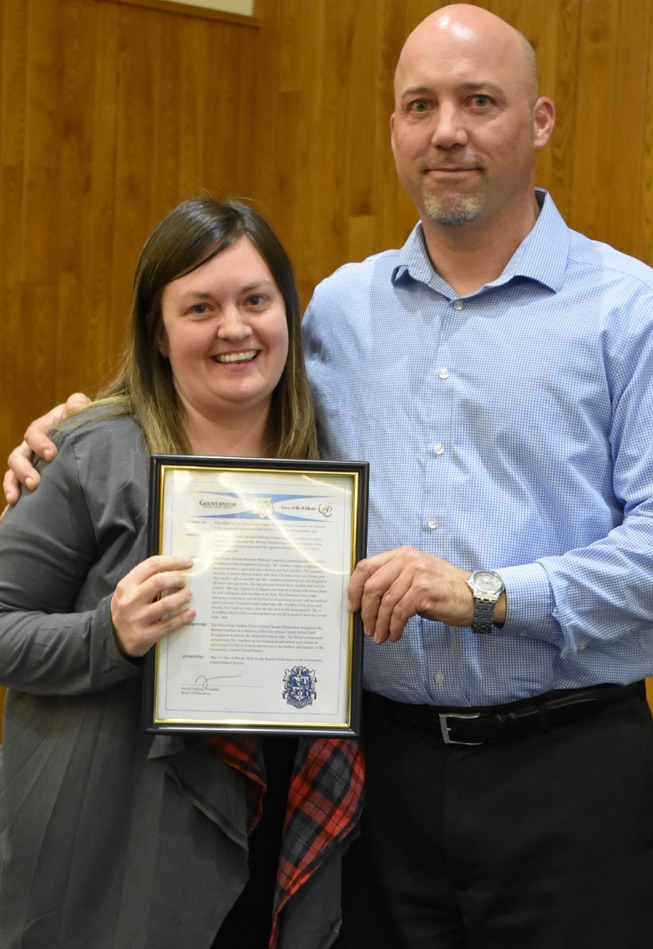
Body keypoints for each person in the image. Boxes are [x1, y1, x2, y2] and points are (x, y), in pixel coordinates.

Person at [6, 5, 653, 947]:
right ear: (392, 127)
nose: (447, 132)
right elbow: (219, 386)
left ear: (540, 119)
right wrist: (73, 428)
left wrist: (481, 593)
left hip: (566, 769)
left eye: (479, 102)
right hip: (376, 774)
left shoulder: (627, 311)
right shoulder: (341, 312)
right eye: (419, 105)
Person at [0, 198, 363, 949]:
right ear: (159, 335)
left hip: (282, 825)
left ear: (287, 316)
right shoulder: (88, 453)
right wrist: (111, 635)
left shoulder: (329, 464)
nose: (234, 327)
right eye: (200, 306)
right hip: (116, 853)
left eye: (255, 300)